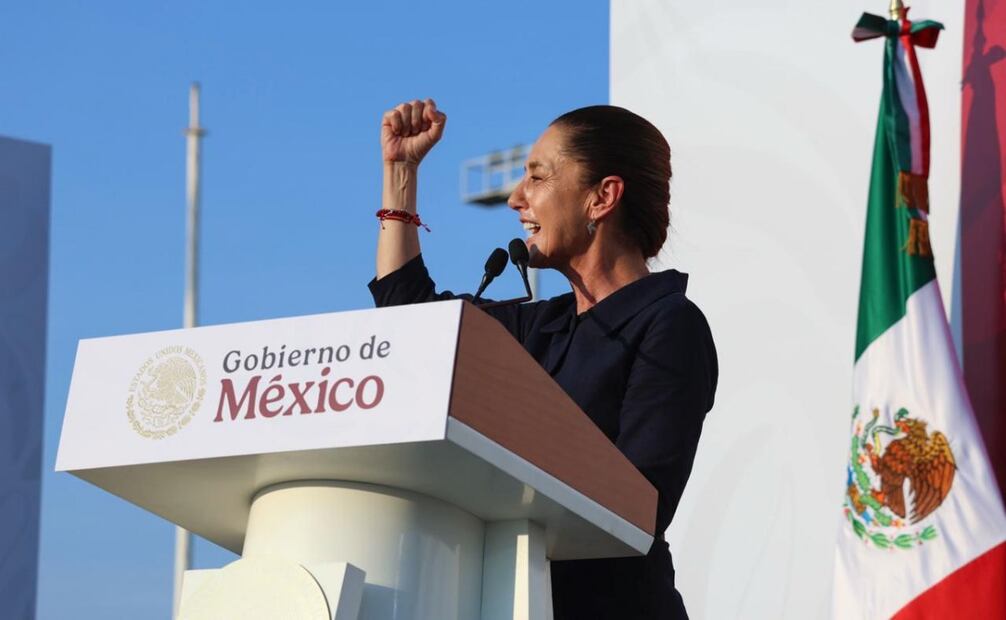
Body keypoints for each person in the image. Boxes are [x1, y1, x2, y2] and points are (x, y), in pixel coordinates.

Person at [369, 98, 718, 619]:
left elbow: (639, 507)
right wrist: (401, 172)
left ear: (602, 198)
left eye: (537, 177)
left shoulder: (669, 325)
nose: (516, 198)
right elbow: (409, 318)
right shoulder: (540, 325)